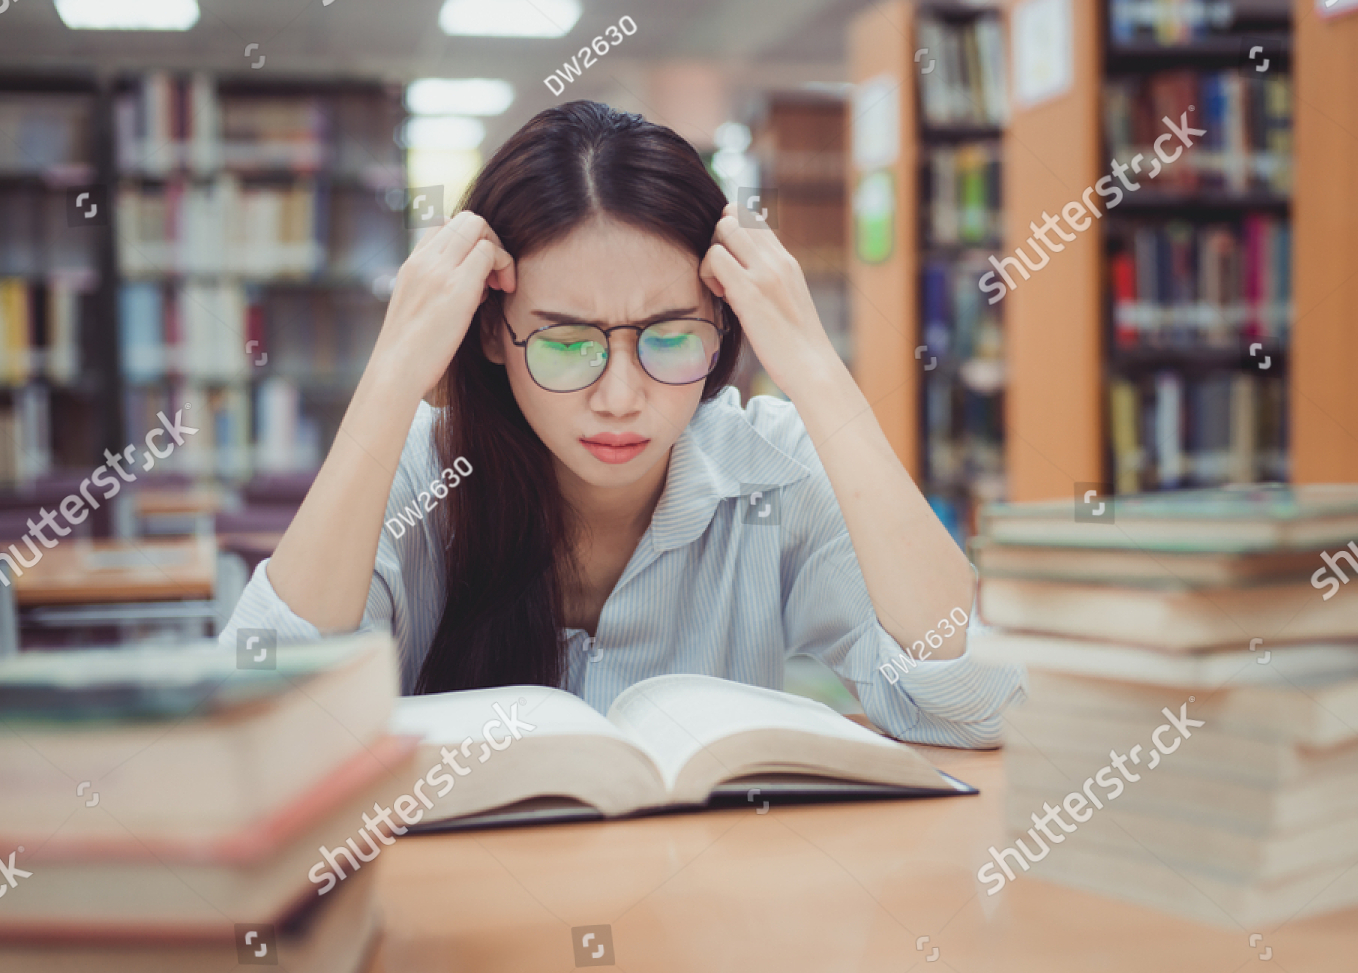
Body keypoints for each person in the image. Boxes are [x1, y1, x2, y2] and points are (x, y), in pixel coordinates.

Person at [221, 100, 1024, 748]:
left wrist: (817, 370)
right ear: (493, 331)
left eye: (671, 337)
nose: (619, 396)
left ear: (724, 323)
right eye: (567, 342)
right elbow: (259, 722)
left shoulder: (767, 468)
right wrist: (393, 372)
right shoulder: (420, 480)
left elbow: (976, 705)